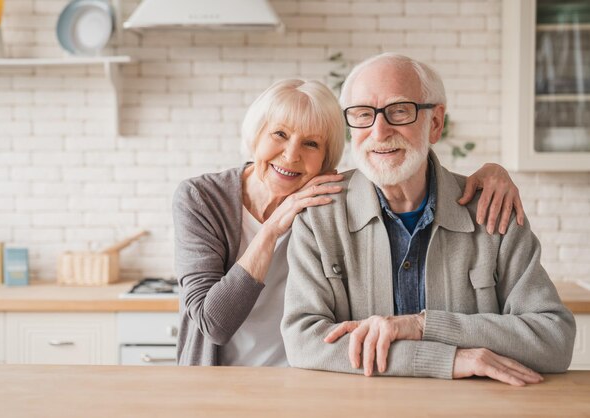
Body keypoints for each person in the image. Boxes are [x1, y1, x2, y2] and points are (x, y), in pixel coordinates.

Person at [174, 78, 526, 367]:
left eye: (310, 143)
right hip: (218, 381)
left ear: (327, 161)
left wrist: (494, 173)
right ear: (256, 134)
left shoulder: (326, 201)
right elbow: (213, 324)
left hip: (307, 378)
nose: (291, 155)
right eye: (279, 134)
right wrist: (271, 229)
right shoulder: (201, 198)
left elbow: (403, 168)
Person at [281, 53, 576, 385]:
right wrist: (446, 359)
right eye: (363, 114)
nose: (379, 132)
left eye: (399, 111)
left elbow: (554, 339)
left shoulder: (492, 210)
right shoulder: (319, 215)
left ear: (435, 123)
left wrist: (422, 326)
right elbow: (304, 342)